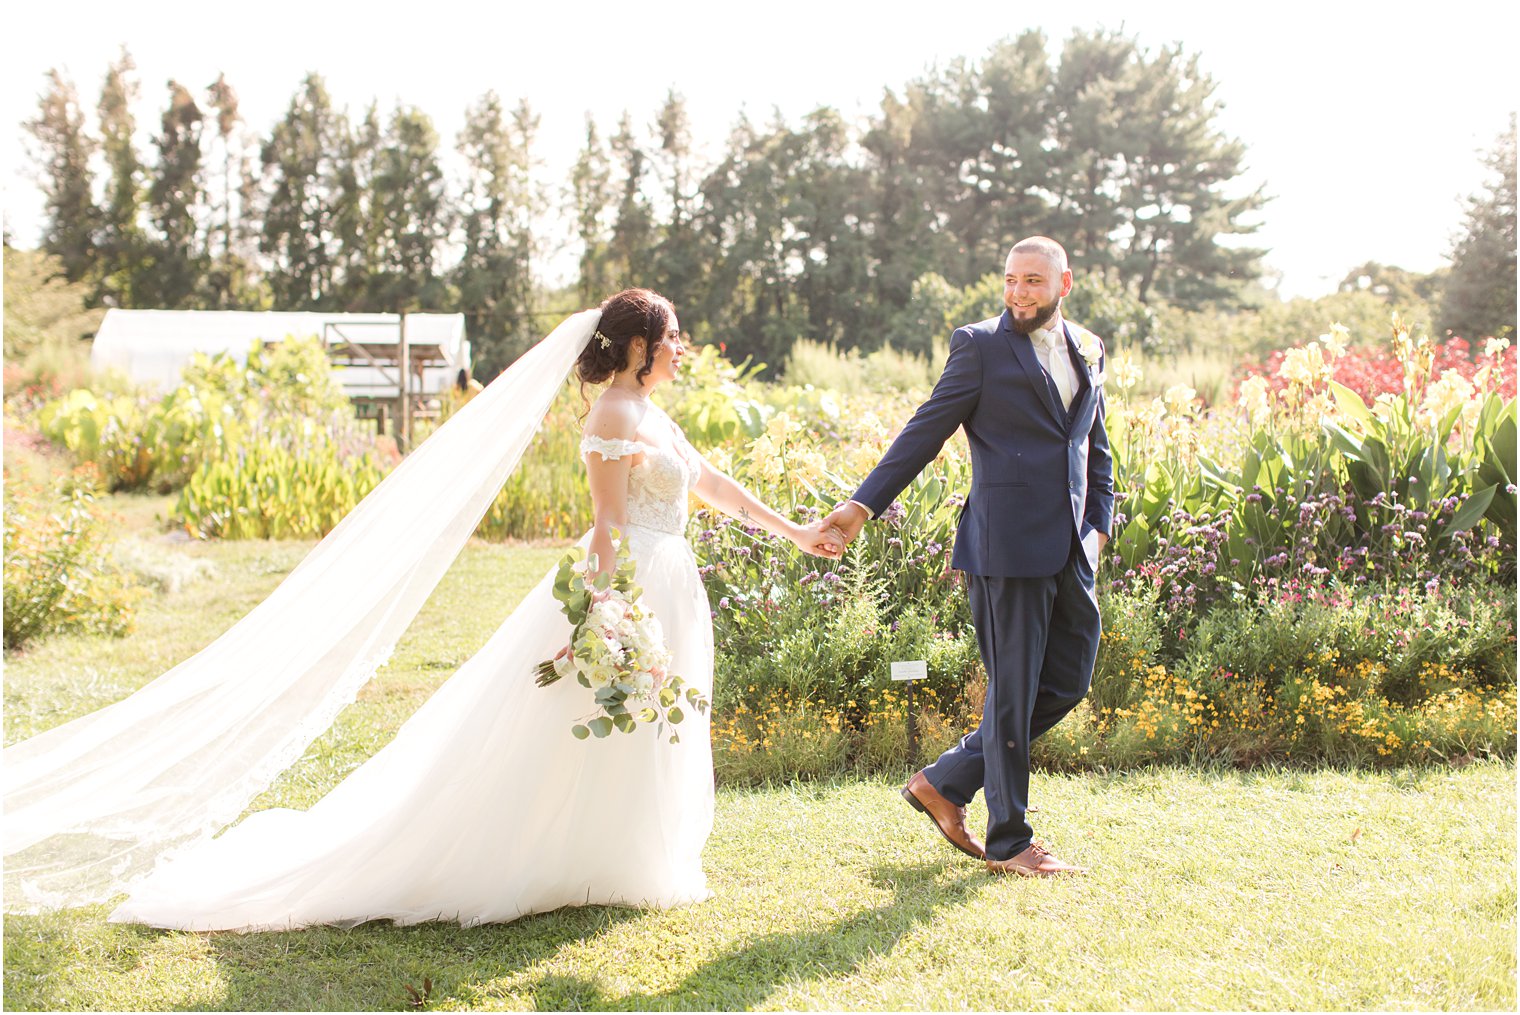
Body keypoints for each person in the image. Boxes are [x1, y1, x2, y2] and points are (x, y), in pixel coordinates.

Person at [10, 289, 840, 931]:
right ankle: (559, 857)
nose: (681, 350)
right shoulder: (613, 414)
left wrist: (796, 530)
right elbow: (610, 524)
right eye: (672, 339)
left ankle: (625, 861)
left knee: (638, 724)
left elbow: (710, 486)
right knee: (588, 718)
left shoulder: (653, 412)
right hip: (627, 583)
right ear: (636, 346)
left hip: (669, 578)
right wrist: (612, 608)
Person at [819, 237, 1113, 878]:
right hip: (1003, 547)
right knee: (1012, 694)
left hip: (1070, 547)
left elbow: (1094, 441)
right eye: (1011, 279)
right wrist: (861, 506)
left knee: (1068, 680)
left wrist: (1099, 525)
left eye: (1033, 281)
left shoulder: (1087, 346)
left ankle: (945, 780)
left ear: (1064, 283)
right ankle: (1010, 841)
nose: (1018, 292)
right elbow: (926, 428)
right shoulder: (979, 346)